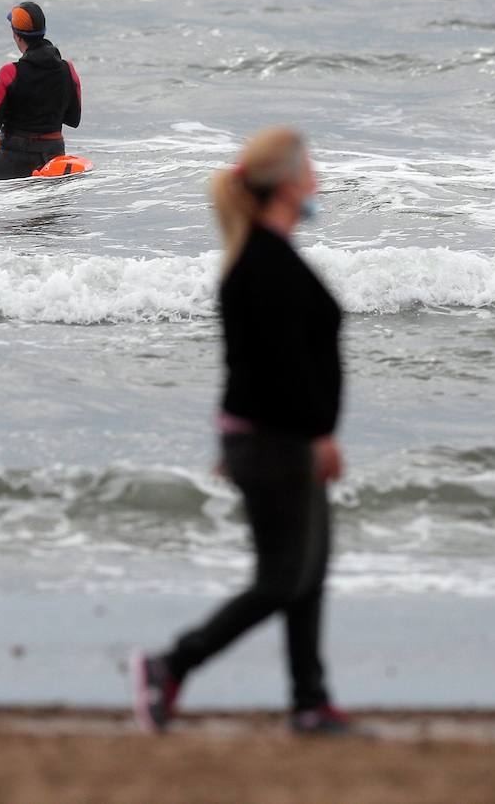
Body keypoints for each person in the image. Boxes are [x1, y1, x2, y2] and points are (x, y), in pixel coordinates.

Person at [131, 128, 352, 736]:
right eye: (309, 167)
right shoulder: (261, 263)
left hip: (275, 437)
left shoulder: (268, 254)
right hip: (275, 439)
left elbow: (270, 361)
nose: (317, 179)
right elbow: (272, 368)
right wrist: (315, 435)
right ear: (284, 183)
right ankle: (171, 663)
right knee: (284, 578)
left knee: (308, 575)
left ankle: (311, 702)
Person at [0, 1, 82, 180]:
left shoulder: (10, 72)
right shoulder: (68, 68)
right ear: (43, 31)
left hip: (14, 157)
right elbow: (74, 119)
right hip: (54, 159)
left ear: (16, 35)